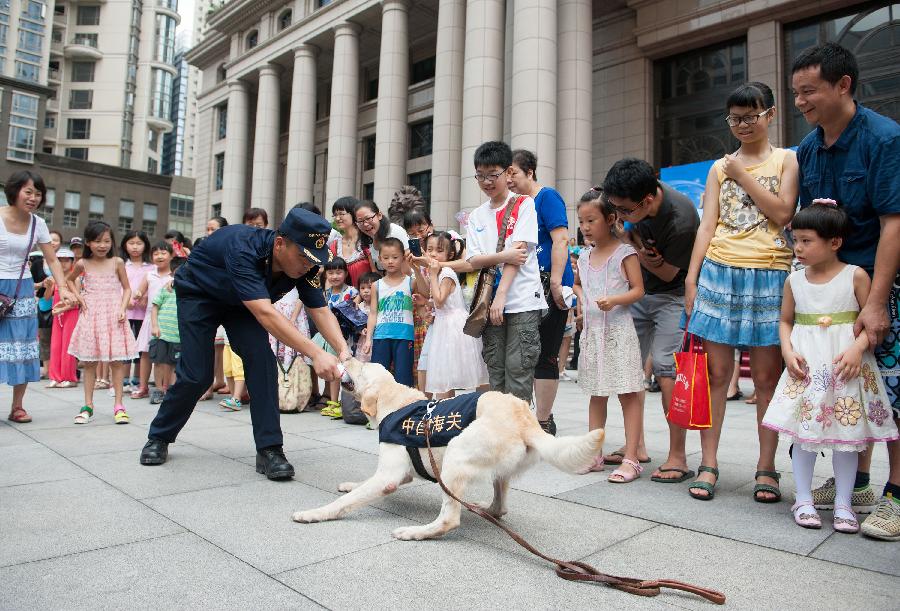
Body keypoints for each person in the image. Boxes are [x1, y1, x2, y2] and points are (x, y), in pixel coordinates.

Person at [139, 208, 349, 480]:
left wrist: (343, 351)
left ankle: (270, 449)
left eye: (314, 260)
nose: (309, 265)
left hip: (242, 304)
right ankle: (159, 436)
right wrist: (316, 353)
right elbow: (265, 313)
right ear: (280, 243)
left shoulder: (304, 266)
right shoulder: (243, 248)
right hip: (200, 294)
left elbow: (320, 309)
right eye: (304, 257)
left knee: (261, 361)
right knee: (197, 375)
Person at [791, 42, 900, 540]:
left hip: (880, 280)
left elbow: (893, 224)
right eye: (796, 93)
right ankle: (855, 484)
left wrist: (877, 302)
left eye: (808, 91)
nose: (800, 102)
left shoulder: (883, 139)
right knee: (846, 385)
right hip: (831, 289)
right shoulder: (809, 148)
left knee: (892, 391)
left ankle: (896, 494)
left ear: (843, 85)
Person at [683, 82, 798, 502]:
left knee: (766, 379)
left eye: (751, 115)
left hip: (769, 273)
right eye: (735, 118)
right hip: (720, 271)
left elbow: (784, 212)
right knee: (716, 376)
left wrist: (742, 174)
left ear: (770, 115)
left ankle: (766, 468)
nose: (743, 124)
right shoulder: (718, 168)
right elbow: (707, 225)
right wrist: (692, 278)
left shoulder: (787, 159)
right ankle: (708, 462)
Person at [761, 203, 898, 531]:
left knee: (847, 436)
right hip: (808, 366)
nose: (799, 248)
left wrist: (858, 349)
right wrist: (787, 349)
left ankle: (843, 504)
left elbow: (873, 321)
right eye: (796, 240)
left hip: (845, 367)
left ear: (834, 242)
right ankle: (804, 499)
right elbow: (785, 319)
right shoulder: (794, 281)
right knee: (805, 435)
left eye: (807, 241)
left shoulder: (856, 276)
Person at [602, 158, 700, 479]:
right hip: (640, 293)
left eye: (625, 211)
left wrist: (635, 249)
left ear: (647, 200)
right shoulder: (634, 204)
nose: (621, 217)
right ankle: (636, 446)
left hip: (671, 296)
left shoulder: (681, 219)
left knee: (665, 368)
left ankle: (677, 456)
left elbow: (670, 271)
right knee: (630, 367)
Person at [464, 141, 546, 403]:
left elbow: (518, 255)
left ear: (508, 172)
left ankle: (520, 435)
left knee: (519, 368)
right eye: (481, 175)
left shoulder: (524, 204)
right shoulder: (476, 216)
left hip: (520, 299)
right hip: (488, 303)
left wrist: (501, 296)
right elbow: (474, 260)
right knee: (495, 368)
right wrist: (502, 255)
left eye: (493, 175)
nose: (487, 181)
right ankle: (500, 433)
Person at [573, 188, 646, 479]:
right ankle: (595, 454)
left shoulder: (624, 253)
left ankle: (631, 458)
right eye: (581, 221)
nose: (585, 227)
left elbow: (639, 290)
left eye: (591, 220)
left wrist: (614, 300)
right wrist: (581, 302)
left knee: (628, 394)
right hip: (592, 334)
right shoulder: (583, 256)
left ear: (611, 218)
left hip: (618, 332)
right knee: (596, 394)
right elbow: (581, 286)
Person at [507, 149, 574, 435]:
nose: (508, 179)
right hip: (525, 288)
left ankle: (544, 420)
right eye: (505, 174)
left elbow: (561, 240)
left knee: (546, 353)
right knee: (524, 354)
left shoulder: (547, 198)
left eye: (513, 173)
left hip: (550, 285)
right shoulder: (515, 205)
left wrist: (557, 282)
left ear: (530, 172)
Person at [1, 171, 76, 423]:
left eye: (38, 193)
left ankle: (17, 406)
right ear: (14, 191)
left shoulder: (38, 224)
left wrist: (64, 288)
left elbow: (52, 259)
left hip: (21, 289)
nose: (33, 198)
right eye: (28, 191)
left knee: (23, 346)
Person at [66, 221, 138, 425]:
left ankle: (119, 406)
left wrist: (123, 308)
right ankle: (87, 405)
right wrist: (79, 298)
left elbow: (126, 288)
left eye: (106, 241)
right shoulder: (82, 264)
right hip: (91, 315)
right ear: (88, 242)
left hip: (114, 315)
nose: (102, 245)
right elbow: (70, 280)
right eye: (97, 241)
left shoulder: (117, 262)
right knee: (89, 363)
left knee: (116, 362)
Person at [418, 232, 488, 397]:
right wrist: (425, 301)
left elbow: (440, 300)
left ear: (449, 255)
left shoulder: (446, 272)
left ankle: (455, 411)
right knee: (445, 374)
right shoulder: (442, 273)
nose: (433, 254)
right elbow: (440, 302)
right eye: (429, 249)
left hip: (452, 328)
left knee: (447, 374)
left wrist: (433, 274)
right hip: (444, 324)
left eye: (439, 250)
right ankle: (449, 413)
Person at [360, 237, 415, 386]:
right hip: (381, 336)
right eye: (386, 257)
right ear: (380, 259)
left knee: (403, 378)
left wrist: (415, 268)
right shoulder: (376, 285)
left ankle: (406, 408)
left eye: (395, 257)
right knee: (378, 378)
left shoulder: (410, 281)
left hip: (404, 336)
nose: (390, 261)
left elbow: (424, 290)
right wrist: (369, 338)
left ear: (403, 258)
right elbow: (373, 313)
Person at [313, 257, 358, 419]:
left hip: (344, 336)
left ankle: (336, 402)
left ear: (346, 273)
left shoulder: (352, 292)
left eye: (339, 272)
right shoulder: (326, 293)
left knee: (339, 368)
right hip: (327, 335)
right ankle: (332, 400)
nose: (335, 276)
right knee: (328, 365)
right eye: (331, 273)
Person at [131, 242, 174, 400]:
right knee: (145, 353)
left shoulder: (174, 277)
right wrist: (137, 294)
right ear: (151, 257)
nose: (160, 256)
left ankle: (163, 388)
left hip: (167, 319)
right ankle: (143, 387)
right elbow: (140, 291)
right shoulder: (149, 275)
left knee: (163, 356)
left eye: (163, 253)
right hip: (150, 319)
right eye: (156, 254)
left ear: (171, 256)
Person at [121, 230, 154, 393]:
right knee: (126, 346)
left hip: (144, 313)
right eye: (131, 243)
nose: (135, 247)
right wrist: (125, 302)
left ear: (145, 245)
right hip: (125, 312)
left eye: (139, 243)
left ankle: (138, 379)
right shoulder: (121, 264)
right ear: (125, 245)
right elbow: (117, 286)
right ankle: (124, 380)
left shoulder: (151, 267)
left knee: (141, 348)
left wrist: (144, 300)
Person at [46, 247, 79, 388]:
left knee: (67, 346)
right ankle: (55, 376)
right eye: (60, 261)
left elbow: (77, 301)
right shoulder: (54, 278)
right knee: (55, 346)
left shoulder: (74, 279)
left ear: (72, 262)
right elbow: (47, 297)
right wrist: (48, 286)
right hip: (57, 315)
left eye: (67, 260)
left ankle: (69, 378)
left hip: (70, 314)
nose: (64, 263)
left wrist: (62, 309)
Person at [353, 200, 410, 272]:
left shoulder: (394, 231)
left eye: (368, 218)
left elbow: (408, 263)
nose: (365, 224)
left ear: (379, 215)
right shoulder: (366, 241)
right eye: (360, 221)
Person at [329, 197, 372, 288]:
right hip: (340, 300)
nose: (337, 218)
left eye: (341, 214)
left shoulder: (368, 241)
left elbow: (377, 273)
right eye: (335, 215)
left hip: (367, 298)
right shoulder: (334, 246)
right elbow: (329, 275)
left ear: (354, 214)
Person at [149, 279, 180, 400]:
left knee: (174, 364)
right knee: (158, 362)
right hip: (161, 333)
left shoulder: (188, 291)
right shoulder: (166, 289)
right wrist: (155, 326)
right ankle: (159, 389)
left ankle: (172, 390)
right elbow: (155, 307)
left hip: (178, 335)